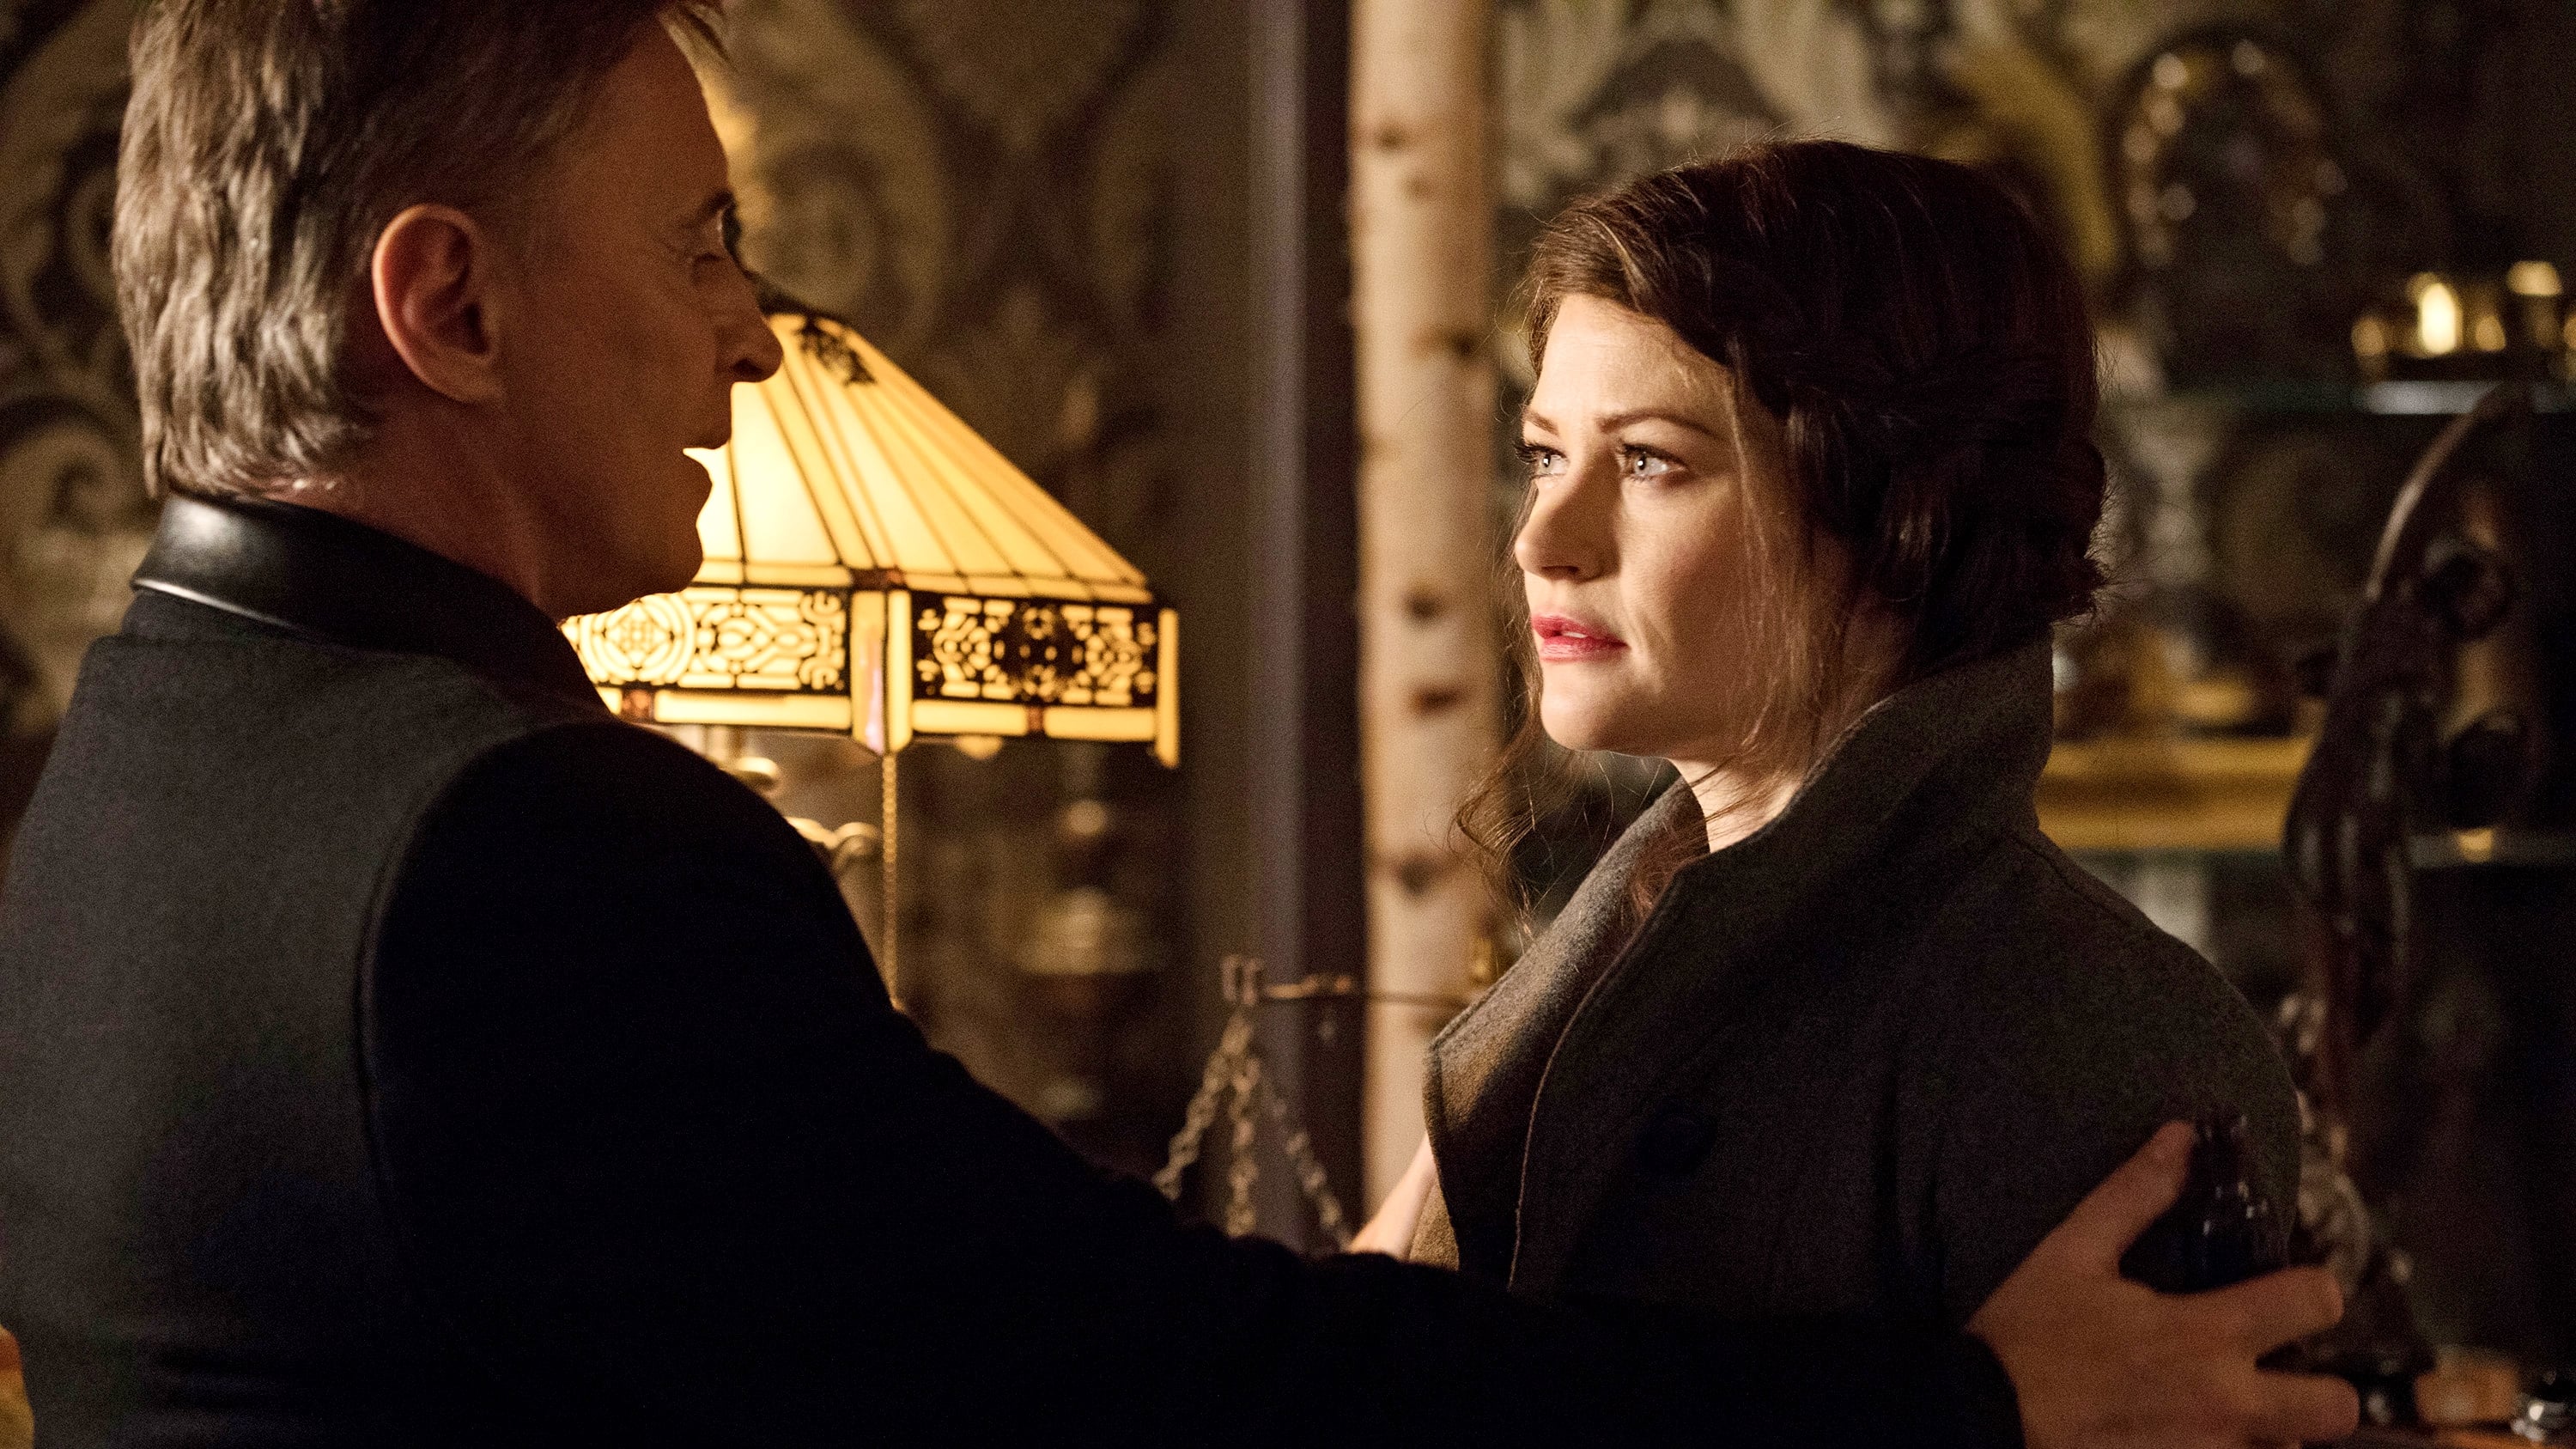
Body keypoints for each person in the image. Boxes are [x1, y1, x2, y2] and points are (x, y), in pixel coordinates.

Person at [0, 4, 2359, 1445]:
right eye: (698, 240)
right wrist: (1958, 1413)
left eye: (1646, 462)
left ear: (1891, 506)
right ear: (448, 305)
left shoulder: (138, 754)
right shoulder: (521, 849)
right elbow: (1126, 1381)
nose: (753, 328)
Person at [1355, 142, 2301, 1336]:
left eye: (1648, 461)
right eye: (1547, 456)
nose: (1542, 541)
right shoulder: (1585, 989)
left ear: (1898, 516)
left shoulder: (2096, 1039)